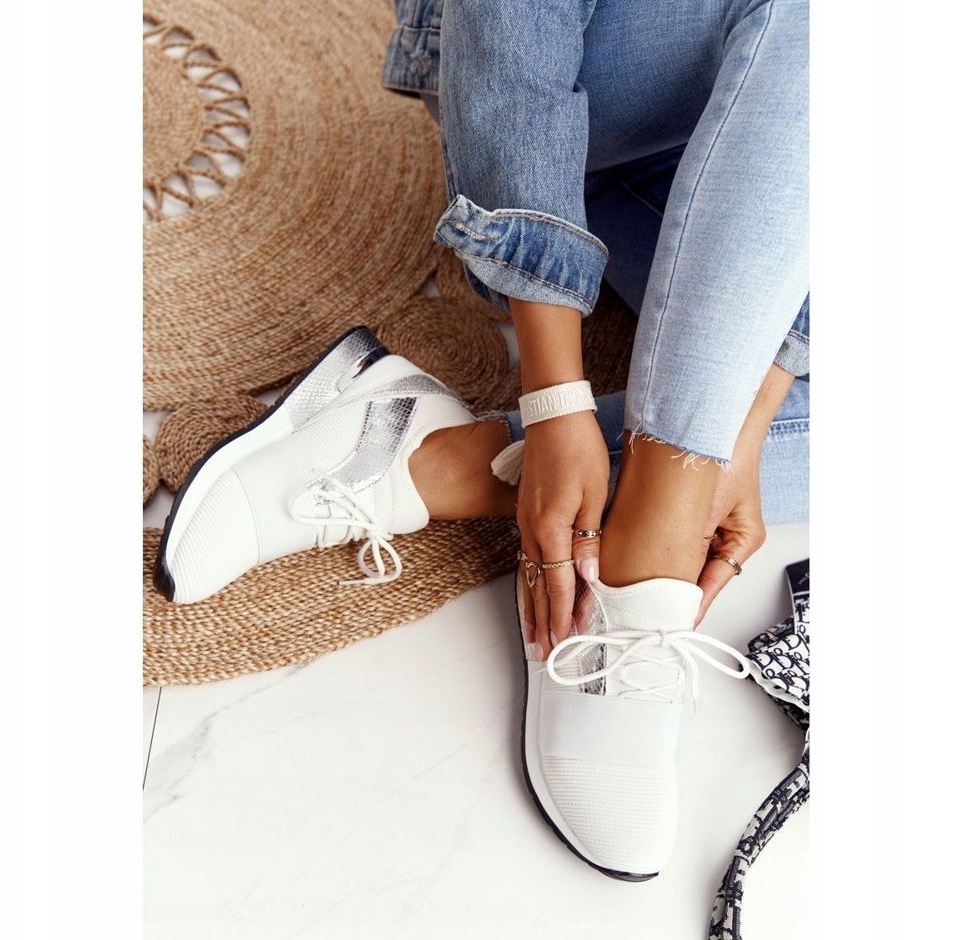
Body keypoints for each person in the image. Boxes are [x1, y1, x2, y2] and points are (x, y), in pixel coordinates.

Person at [155, 0, 808, 881]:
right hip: (602, 114)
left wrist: (751, 411)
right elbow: (513, 30)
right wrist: (556, 400)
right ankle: (647, 553)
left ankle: (422, 459)